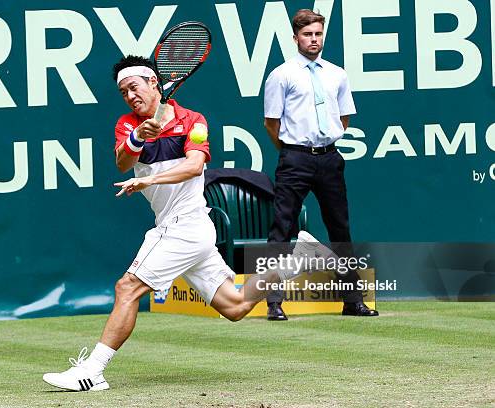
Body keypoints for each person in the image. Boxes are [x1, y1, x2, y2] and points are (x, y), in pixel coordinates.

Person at [41, 55, 330, 392]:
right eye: (123, 92)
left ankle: (93, 370)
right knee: (234, 307)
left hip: (185, 226)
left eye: (133, 87)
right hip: (183, 228)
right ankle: (301, 261)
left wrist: (150, 182)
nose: (129, 96)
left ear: (153, 83)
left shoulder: (193, 121)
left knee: (127, 287)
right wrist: (138, 137)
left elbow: (195, 167)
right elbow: (123, 162)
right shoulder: (126, 124)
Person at [263, 9, 378, 320]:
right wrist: (291, 150)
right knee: (282, 229)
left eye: (317, 34)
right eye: (307, 35)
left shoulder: (336, 73)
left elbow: (343, 116)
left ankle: (352, 301)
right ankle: (274, 302)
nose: (313, 40)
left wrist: (325, 142)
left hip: (329, 158)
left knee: (340, 229)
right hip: (295, 159)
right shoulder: (281, 75)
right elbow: (271, 122)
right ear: (295, 38)